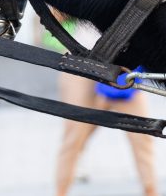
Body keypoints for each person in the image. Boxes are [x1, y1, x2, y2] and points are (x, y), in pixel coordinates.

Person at [43, 14, 159, 196]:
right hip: (81, 62)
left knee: (143, 134)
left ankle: (151, 192)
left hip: (121, 63)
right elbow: (56, 14)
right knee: (74, 136)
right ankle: (61, 192)